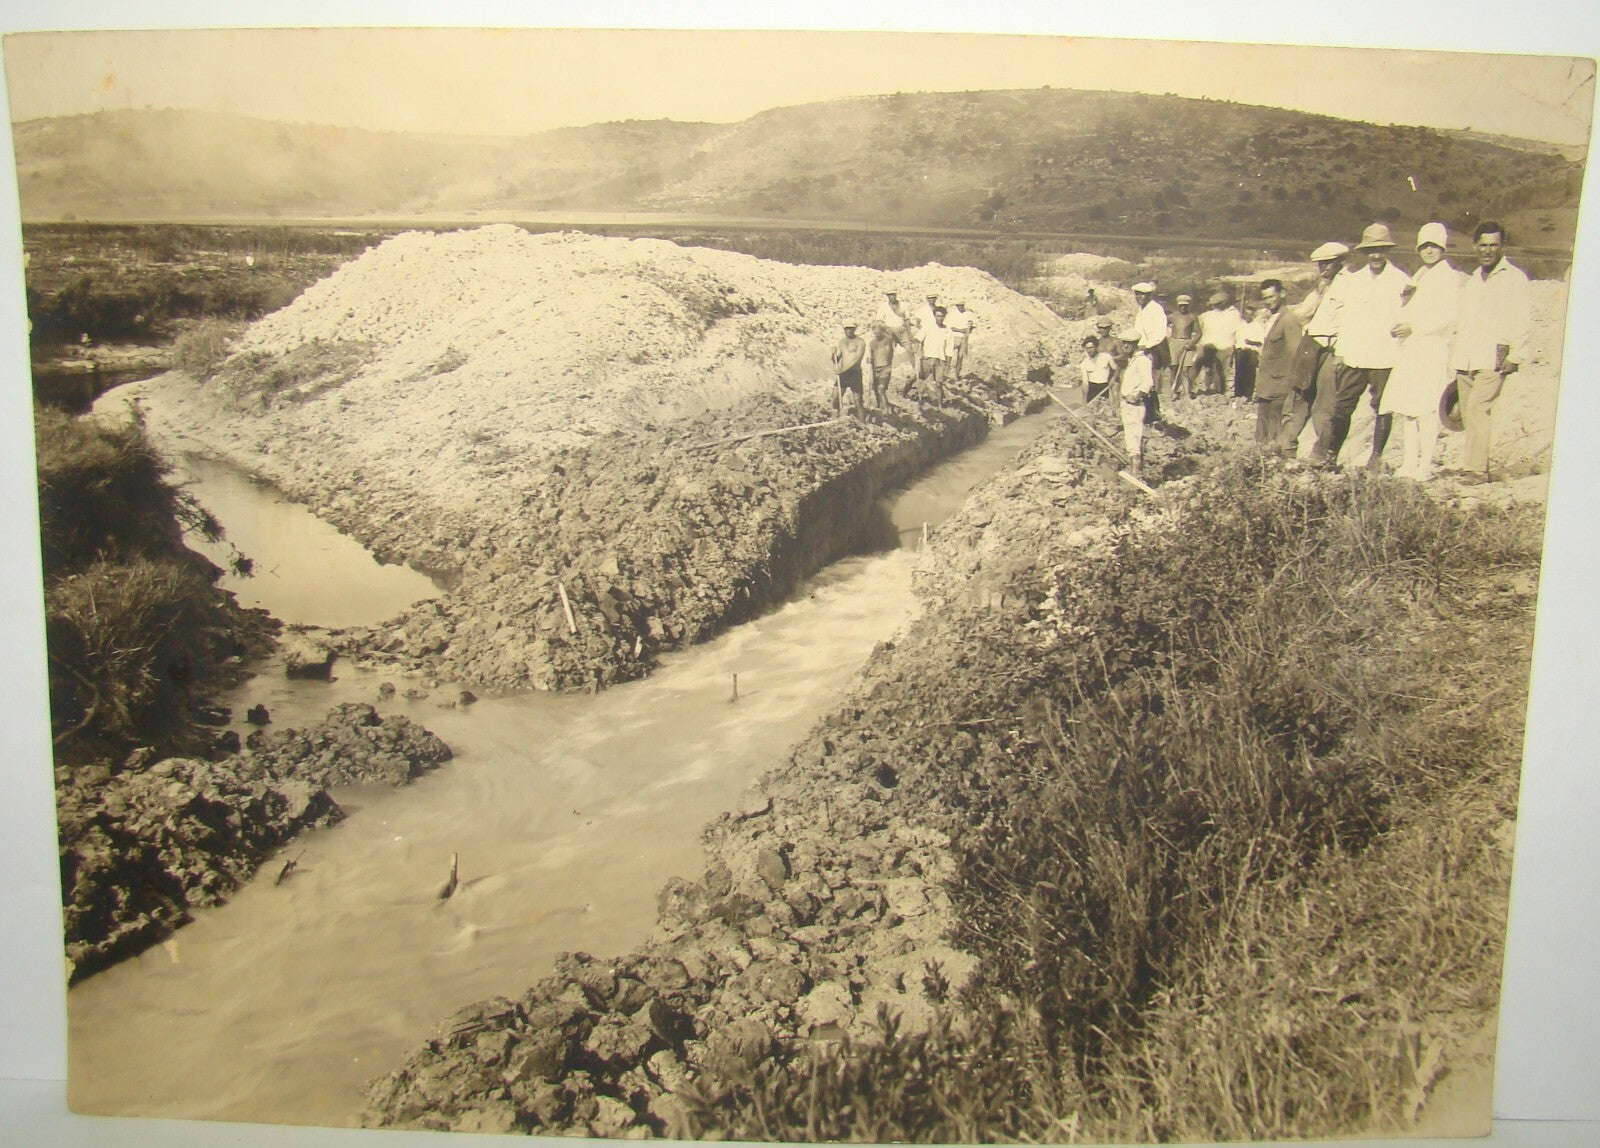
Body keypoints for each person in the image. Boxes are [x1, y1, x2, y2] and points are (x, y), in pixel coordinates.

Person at [1308, 222, 1410, 472]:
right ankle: (1330, 457)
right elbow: (1346, 318)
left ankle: (1375, 458)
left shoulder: (1401, 281)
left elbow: (1408, 317)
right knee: (1342, 407)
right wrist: (1341, 353)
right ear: (1364, 252)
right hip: (1354, 355)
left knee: (1382, 408)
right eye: (1371, 250)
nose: (1376, 255)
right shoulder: (1353, 281)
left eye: (1381, 249)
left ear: (1388, 250)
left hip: (1385, 356)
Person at [1379, 223, 1463, 481]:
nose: (1429, 250)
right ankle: (1408, 464)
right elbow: (1406, 309)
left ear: (1442, 248)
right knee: (1408, 410)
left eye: (1434, 246)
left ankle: (1424, 465)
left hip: (1431, 349)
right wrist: (1399, 322)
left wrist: (1413, 327)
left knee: (1426, 409)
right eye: (1424, 246)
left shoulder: (1447, 277)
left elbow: (1448, 318)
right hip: (1411, 350)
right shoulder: (1419, 276)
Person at [1449, 220, 1530, 485]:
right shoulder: (1473, 280)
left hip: (1493, 357)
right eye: (1483, 245)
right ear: (1475, 246)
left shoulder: (1514, 278)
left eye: (1494, 245)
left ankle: (1477, 471)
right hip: (1467, 357)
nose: (1488, 250)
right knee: (1469, 413)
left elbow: (1523, 319)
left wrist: (1515, 356)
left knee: (1477, 408)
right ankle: (1472, 466)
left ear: (1502, 246)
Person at [1278, 241, 1350, 457]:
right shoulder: (1320, 287)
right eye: (1321, 264)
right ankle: (1286, 449)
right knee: (1298, 396)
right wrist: (1318, 294)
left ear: (1340, 262)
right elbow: (1301, 315)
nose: (1325, 268)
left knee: (1325, 405)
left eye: (1329, 263)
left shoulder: (1351, 285)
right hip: (1311, 344)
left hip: (1333, 347)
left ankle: (1321, 456)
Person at [1250, 279, 1305, 450]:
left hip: (1279, 387)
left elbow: (1296, 354)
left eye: (1271, 296)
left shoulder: (1289, 320)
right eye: (1265, 298)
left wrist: (1291, 383)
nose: (1268, 301)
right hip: (1268, 386)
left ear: (1282, 294)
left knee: (1276, 434)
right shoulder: (1273, 318)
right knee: (1263, 434)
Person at [1116, 326, 1155, 474]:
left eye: (1129, 343)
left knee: (1133, 440)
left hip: (1135, 405)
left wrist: (1137, 396)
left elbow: (1148, 383)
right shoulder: (1132, 360)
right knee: (1131, 438)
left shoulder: (1142, 361)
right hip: (1127, 404)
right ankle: (1137, 471)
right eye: (1123, 343)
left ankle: (1136, 474)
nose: (1125, 346)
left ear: (1135, 344)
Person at [1131, 281, 1169, 422]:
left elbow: (1159, 333)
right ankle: (1144, 412)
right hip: (1141, 349)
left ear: (1149, 295)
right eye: (1137, 295)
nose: (1139, 297)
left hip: (1152, 349)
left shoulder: (1156, 310)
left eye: (1142, 295)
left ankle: (1153, 413)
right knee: (1140, 379)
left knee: (1149, 381)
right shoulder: (1141, 310)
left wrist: (1147, 347)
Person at [1193, 290, 1241, 395]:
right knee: (1203, 366)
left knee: (1221, 370)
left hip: (1225, 346)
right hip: (1208, 345)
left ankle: (1219, 392)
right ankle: (1199, 388)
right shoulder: (1207, 315)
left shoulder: (1233, 314)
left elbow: (1236, 330)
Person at [919, 307, 955, 407]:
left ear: (945, 317)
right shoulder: (927, 327)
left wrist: (947, 365)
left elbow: (949, 350)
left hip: (940, 360)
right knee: (920, 379)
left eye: (942, 316)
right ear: (934, 316)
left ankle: (940, 405)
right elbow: (918, 338)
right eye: (938, 316)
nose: (940, 318)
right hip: (927, 358)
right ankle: (908, 396)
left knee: (939, 383)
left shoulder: (948, 331)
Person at [1167, 294, 1199, 402]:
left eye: (1185, 306)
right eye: (1181, 306)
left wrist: (1191, 343)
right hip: (1174, 342)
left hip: (1187, 342)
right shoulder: (1171, 316)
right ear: (1178, 305)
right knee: (1174, 369)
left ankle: (1187, 393)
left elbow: (1199, 333)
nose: (1183, 308)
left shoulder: (1192, 317)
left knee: (1185, 370)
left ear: (1189, 305)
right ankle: (1173, 392)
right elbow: (1161, 326)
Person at [831, 323, 866, 420]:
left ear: (854, 329)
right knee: (835, 397)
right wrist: (832, 354)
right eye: (846, 329)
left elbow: (857, 360)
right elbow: (836, 360)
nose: (848, 331)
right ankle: (836, 417)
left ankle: (862, 422)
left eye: (851, 328)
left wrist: (841, 370)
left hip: (855, 373)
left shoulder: (860, 342)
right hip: (843, 374)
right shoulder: (842, 342)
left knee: (858, 400)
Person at [867, 322, 898, 412]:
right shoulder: (872, 343)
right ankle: (882, 407)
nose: (876, 333)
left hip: (885, 368)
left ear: (882, 331)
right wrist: (869, 360)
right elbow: (872, 356)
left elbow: (889, 351)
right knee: (877, 390)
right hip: (875, 368)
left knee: (881, 388)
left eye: (878, 331)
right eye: (875, 332)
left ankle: (886, 409)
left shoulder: (888, 340)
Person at [1078, 334, 1116, 405]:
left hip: (1105, 387)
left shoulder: (1107, 357)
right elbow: (1085, 383)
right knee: (1092, 413)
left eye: (1091, 347)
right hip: (1092, 389)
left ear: (1096, 347)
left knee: (1105, 411)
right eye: (1087, 348)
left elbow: (1116, 369)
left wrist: (1113, 378)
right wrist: (1084, 400)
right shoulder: (1084, 363)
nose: (1089, 350)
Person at [946, 301, 975, 377]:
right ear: (956, 306)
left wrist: (963, 330)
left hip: (964, 338)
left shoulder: (969, 314)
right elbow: (950, 327)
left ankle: (957, 374)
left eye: (962, 305)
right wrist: (962, 330)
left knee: (960, 356)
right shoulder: (952, 314)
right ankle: (946, 371)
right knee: (948, 354)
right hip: (953, 337)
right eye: (959, 305)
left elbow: (970, 327)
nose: (961, 307)